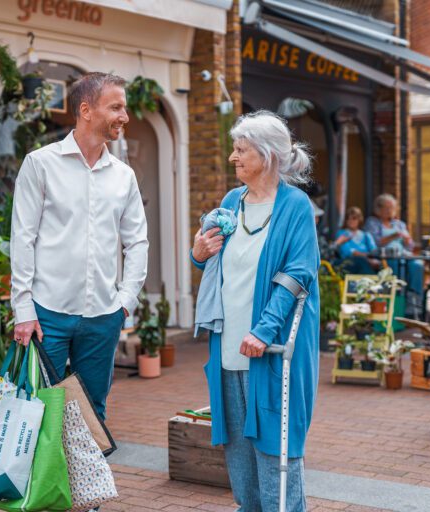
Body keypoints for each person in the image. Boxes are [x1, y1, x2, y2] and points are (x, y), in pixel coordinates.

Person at [191, 110, 319, 512]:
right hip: (230, 346)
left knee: (276, 449)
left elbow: (297, 275)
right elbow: (212, 259)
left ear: (266, 154)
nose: (233, 157)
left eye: (241, 149)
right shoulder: (233, 202)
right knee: (238, 453)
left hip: (272, 350)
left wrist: (264, 331)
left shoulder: (295, 207)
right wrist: (198, 254)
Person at [10, 72, 149, 419]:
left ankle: (86, 476)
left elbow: (137, 241)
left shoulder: (123, 176)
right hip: (48, 315)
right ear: (86, 110)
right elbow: (23, 238)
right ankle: (46, 478)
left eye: (124, 107)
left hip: (103, 316)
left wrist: (125, 302)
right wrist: (23, 310)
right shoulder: (40, 164)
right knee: (39, 413)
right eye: (116, 107)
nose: (125, 116)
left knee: (92, 414)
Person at [364, 194, 423, 298]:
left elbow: (410, 246)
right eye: (386, 208)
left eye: (392, 207)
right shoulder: (372, 222)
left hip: (402, 254)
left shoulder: (399, 224)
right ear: (378, 209)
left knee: (417, 264)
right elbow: (374, 243)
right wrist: (393, 236)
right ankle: (395, 296)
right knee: (393, 264)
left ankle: (414, 296)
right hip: (384, 256)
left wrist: (407, 240)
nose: (389, 210)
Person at [335, 206, 379, 274]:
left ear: (359, 219)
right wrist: (367, 258)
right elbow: (347, 252)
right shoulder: (342, 234)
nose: (350, 221)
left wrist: (373, 259)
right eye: (348, 218)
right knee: (360, 261)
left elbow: (374, 250)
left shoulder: (366, 235)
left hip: (368, 262)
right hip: (348, 263)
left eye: (354, 218)